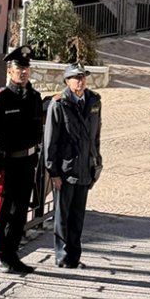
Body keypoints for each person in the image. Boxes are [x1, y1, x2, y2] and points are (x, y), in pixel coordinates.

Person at [0, 45, 44, 274]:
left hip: (26, 164)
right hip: (6, 165)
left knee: (19, 212)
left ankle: (12, 253)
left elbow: (37, 133)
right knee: (2, 212)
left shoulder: (34, 98)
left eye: (26, 68)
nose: (23, 72)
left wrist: (35, 160)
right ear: (9, 70)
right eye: (18, 68)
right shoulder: (0, 99)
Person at [44, 63, 103, 269]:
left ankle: (75, 257)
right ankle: (62, 256)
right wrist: (53, 171)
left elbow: (95, 135)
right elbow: (50, 141)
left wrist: (96, 162)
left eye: (83, 77)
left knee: (78, 216)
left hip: (85, 168)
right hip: (65, 169)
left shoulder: (94, 101)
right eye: (76, 78)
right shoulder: (59, 104)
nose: (81, 81)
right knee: (63, 215)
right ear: (67, 81)